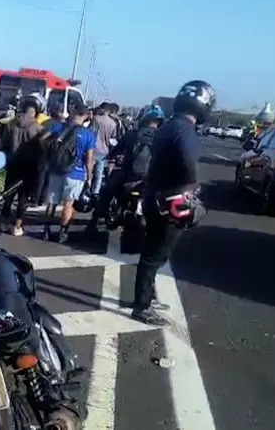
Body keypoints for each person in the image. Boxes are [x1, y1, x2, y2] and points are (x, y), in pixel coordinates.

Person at [131, 80, 213, 326]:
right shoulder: (186, 130)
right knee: (154, 256)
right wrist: (191, 185)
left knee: (152, 253)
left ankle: (146, 297)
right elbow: (188, 163)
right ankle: (142, 306)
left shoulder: (168, 126)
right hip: (169, 201)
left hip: (154, 196)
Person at [85, 104, 166, 234]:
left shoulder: (132, 134)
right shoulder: (163, 139)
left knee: (107, 192)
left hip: (129, 176)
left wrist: (111, 157)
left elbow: (116, 150)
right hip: (152, 180)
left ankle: (93, 222)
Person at [40, 103, 96, 243]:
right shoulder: (88, 134)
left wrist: (50, 155)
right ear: (85, 116)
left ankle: (46, 231)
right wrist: (90, 176)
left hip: (56, 169)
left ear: (73, 112)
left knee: (51, 203)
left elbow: (42, 140)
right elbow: (89, 159)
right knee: (68, 204)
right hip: (75, 173)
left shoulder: (59, 127)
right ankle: (62, 233)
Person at [0, 94, 47, 236]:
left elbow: (3, 144)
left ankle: (3, 222)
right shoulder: (39, 129)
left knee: (8, 194)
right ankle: (17, 226)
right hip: (29, 167)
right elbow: (43, 150)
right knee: (23, 198)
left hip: (13, 163)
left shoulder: (11, 124)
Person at [90, 102, 119, 197]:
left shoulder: (96, 119)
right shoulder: (113, 123)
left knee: (89, 170)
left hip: (92, 149)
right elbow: (113, 138)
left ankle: (86, 188)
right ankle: (95, 192)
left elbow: (90, 132)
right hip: (104, 151)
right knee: (99, 174)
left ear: (103, 109)